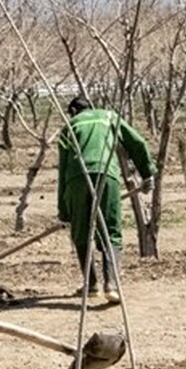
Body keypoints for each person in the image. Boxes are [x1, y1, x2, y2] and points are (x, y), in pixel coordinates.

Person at [57, 96, 157, 304]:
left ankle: (92, 285)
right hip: (107, 175)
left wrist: (65, 211)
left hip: (76, 178)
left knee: (81, 232)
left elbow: (63, 170)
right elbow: (137, 143)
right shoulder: (109, 117)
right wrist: (147, 174)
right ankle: (111, 284)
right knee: (111, 231)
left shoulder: (69, 127)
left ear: (74, 111)